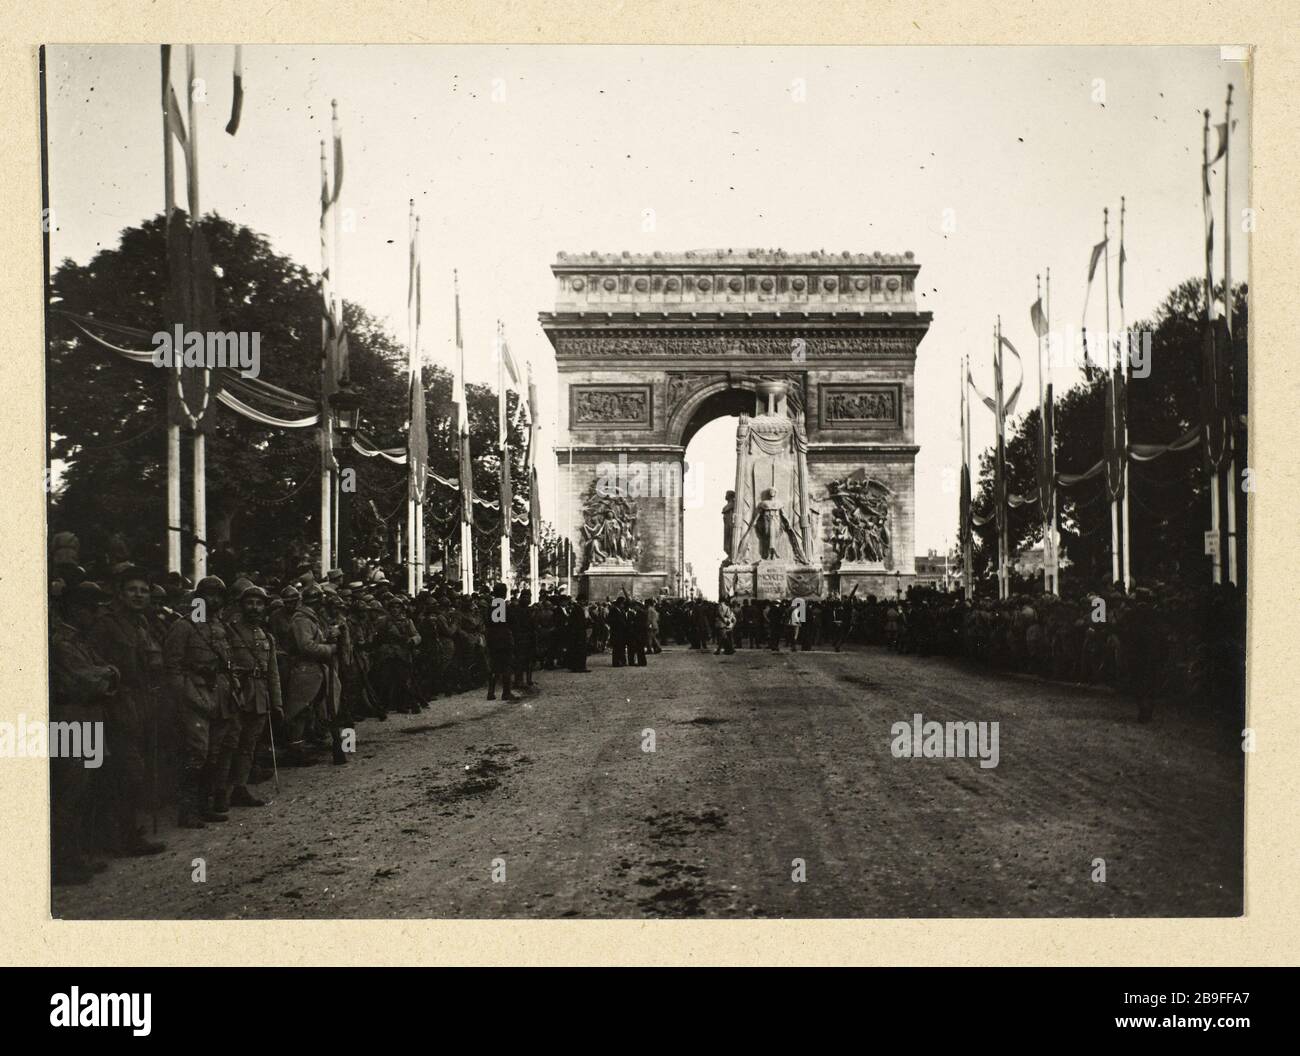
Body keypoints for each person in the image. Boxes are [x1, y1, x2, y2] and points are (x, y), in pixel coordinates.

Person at [91, 565, 167, 853]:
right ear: (120, 594)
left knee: (136, 769)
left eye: (144, 591)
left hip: (142, 702)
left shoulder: (142, 624)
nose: (139, 595)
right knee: (126, 771)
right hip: (117, 703)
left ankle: (124, 832)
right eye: (132, 590)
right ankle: (123, 838)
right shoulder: (106, 624)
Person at [49, 581, 119, 883]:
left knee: (84, 790)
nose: (96, 614)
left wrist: (105, 674)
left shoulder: (79, 639)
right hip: (69, 720)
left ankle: (77, 856)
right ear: (78, 610)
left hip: (86, 717)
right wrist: (108, 674)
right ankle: (63, 864)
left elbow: (102, 671)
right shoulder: (63, 641)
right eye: (93, 609)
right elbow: (87, 679)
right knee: (70, 793)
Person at [163, 575, 236, 827]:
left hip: (219, 695)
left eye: (218, 595)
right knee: (197, 754)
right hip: (193, 695)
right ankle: (187, 811)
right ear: (198, 597)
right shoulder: (184, 626)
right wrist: (188, 697)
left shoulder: (220, 627)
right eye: (208, 595)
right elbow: (172, 668)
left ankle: (204, 806)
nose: (213, 600)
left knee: (213, 754)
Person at [284, 583, 344, 766]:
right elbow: (306, 646)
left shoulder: (310, 618)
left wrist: (329, 635)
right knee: (299, 711)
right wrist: (330, 648)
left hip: (316, 669)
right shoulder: (302, 619)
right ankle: (295, 751)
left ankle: (302, 747)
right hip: (305, 669)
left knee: (312, 710)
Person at [484, 583, 517, 701]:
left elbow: (487, 621)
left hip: (493, 637)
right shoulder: (505, 605)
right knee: (506, 665)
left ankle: (491, 692)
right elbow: (512, 621)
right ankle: (506, 692)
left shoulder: (491, 605)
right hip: (504, 637)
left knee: (494, 665)